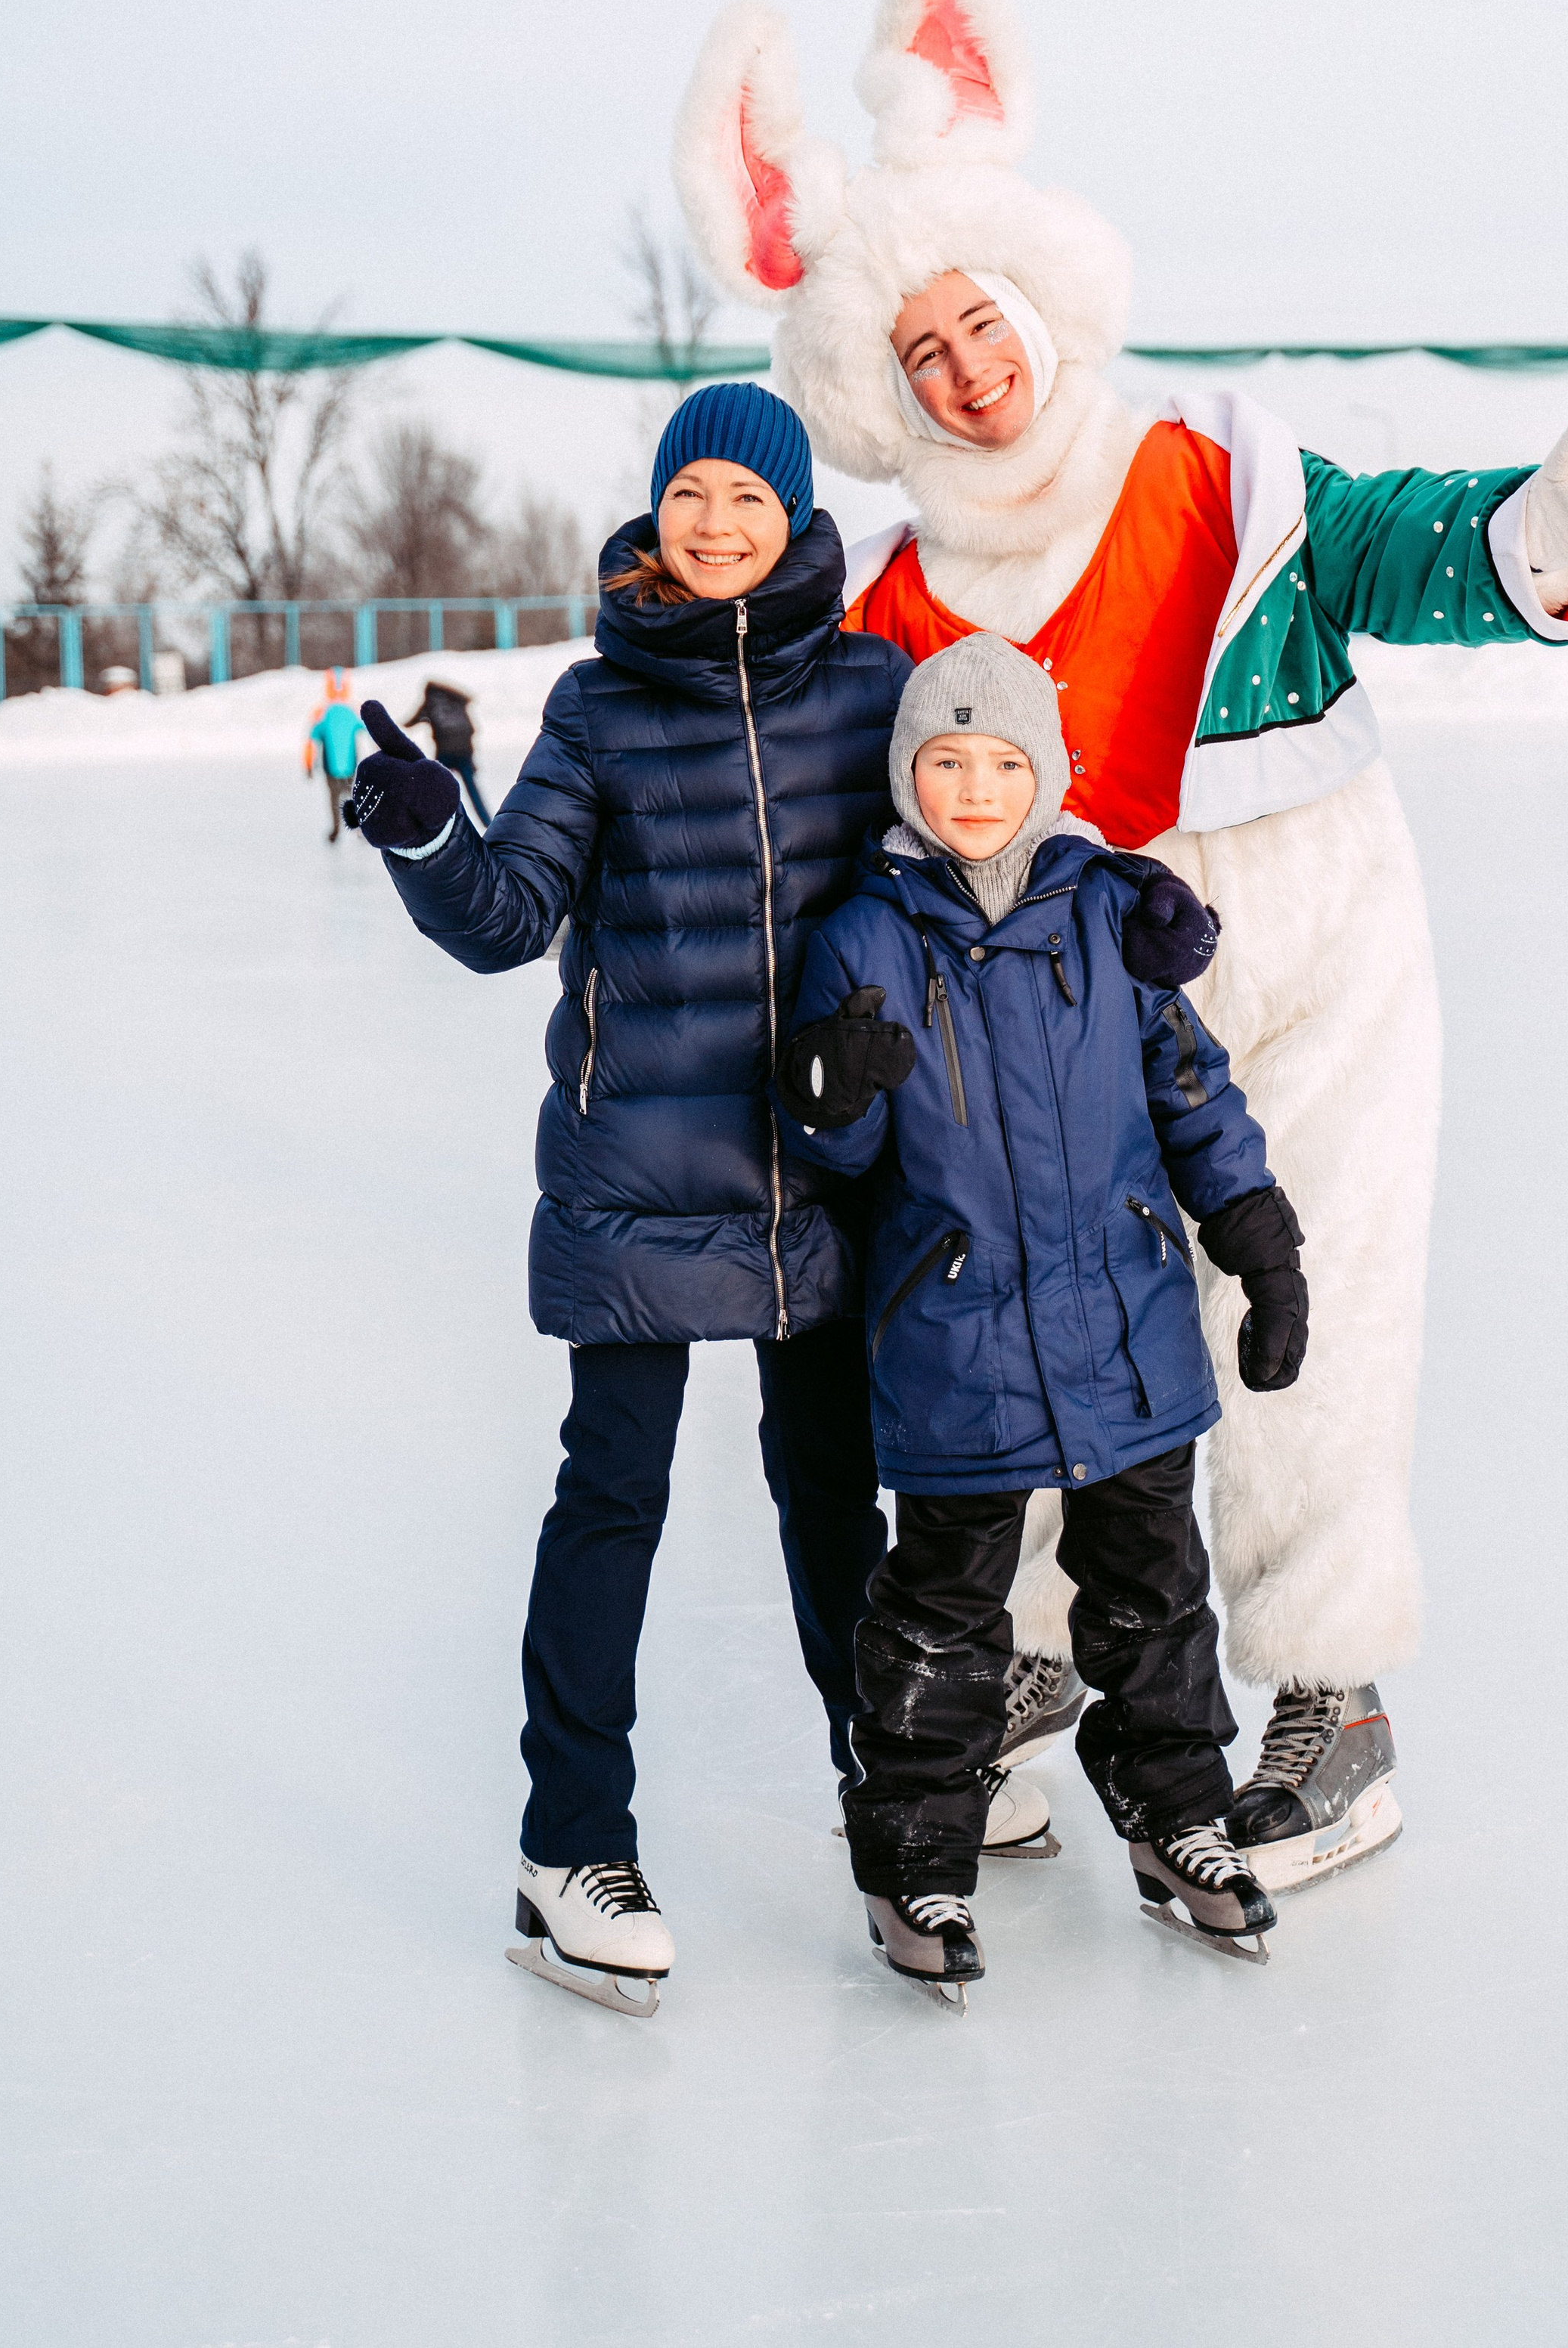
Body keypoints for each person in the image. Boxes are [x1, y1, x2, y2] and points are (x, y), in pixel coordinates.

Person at [673, 0, 1568, 1895]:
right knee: (1041, 1309)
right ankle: (1041, 1669)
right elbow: (812, 812)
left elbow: (1404, 549)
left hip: (1314, 973)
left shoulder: (1219, 463)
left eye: (980, 319)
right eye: (920, 350)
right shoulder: (895, 599)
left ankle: (1329, 1686)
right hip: (1061, 1012)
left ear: (1042, 298)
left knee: (1309, 1321)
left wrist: (1547, 527)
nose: (967, 368)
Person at [340, 381, 1065, 2019]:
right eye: (693, 499)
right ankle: (567, 1846)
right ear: (657, 514)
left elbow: (965, 861)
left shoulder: (869, 688)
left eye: (749, 499)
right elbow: (508, 910)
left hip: (824, 1174)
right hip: (638, 1183)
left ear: (796, 516)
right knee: (615, 1498)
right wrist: (425, 839)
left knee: (835, 1509)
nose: (718, 525)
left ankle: (889, 1804)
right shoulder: (598, 710)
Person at [775, 635, 1303, 2002]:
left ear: (1044, 775)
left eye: (1003, 763)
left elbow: (1192, 1092)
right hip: (962, 1350)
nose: (974, 787)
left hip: (1126, 1335)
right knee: (944, 1617)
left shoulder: (1106, 919)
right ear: (909, 773)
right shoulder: (865, 933)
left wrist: (1257, 1234)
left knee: (1154, 1600)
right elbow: (828, 1155)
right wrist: (827, 1094)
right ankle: (917, 1858)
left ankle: (1176, 1816)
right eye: (946, 762)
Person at [401, 677, 490, 826]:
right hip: (464, 751)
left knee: (436, 787)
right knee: (472, 789)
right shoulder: (456, 700)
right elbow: (472, 728)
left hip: (445, 753)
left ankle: (431, 823)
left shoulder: (430, 702)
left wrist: (398, 724)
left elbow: (414, 720)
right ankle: (487, 821)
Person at [305, 671, 365, 842]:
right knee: (354, 795)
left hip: (330, 766)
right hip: (351, 764)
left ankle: (336, 829)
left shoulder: (322, 712)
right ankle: (359, 827)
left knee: (334, 798)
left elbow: (312, 740)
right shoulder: (352, 711)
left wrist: (309, 765)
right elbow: (370, 730)